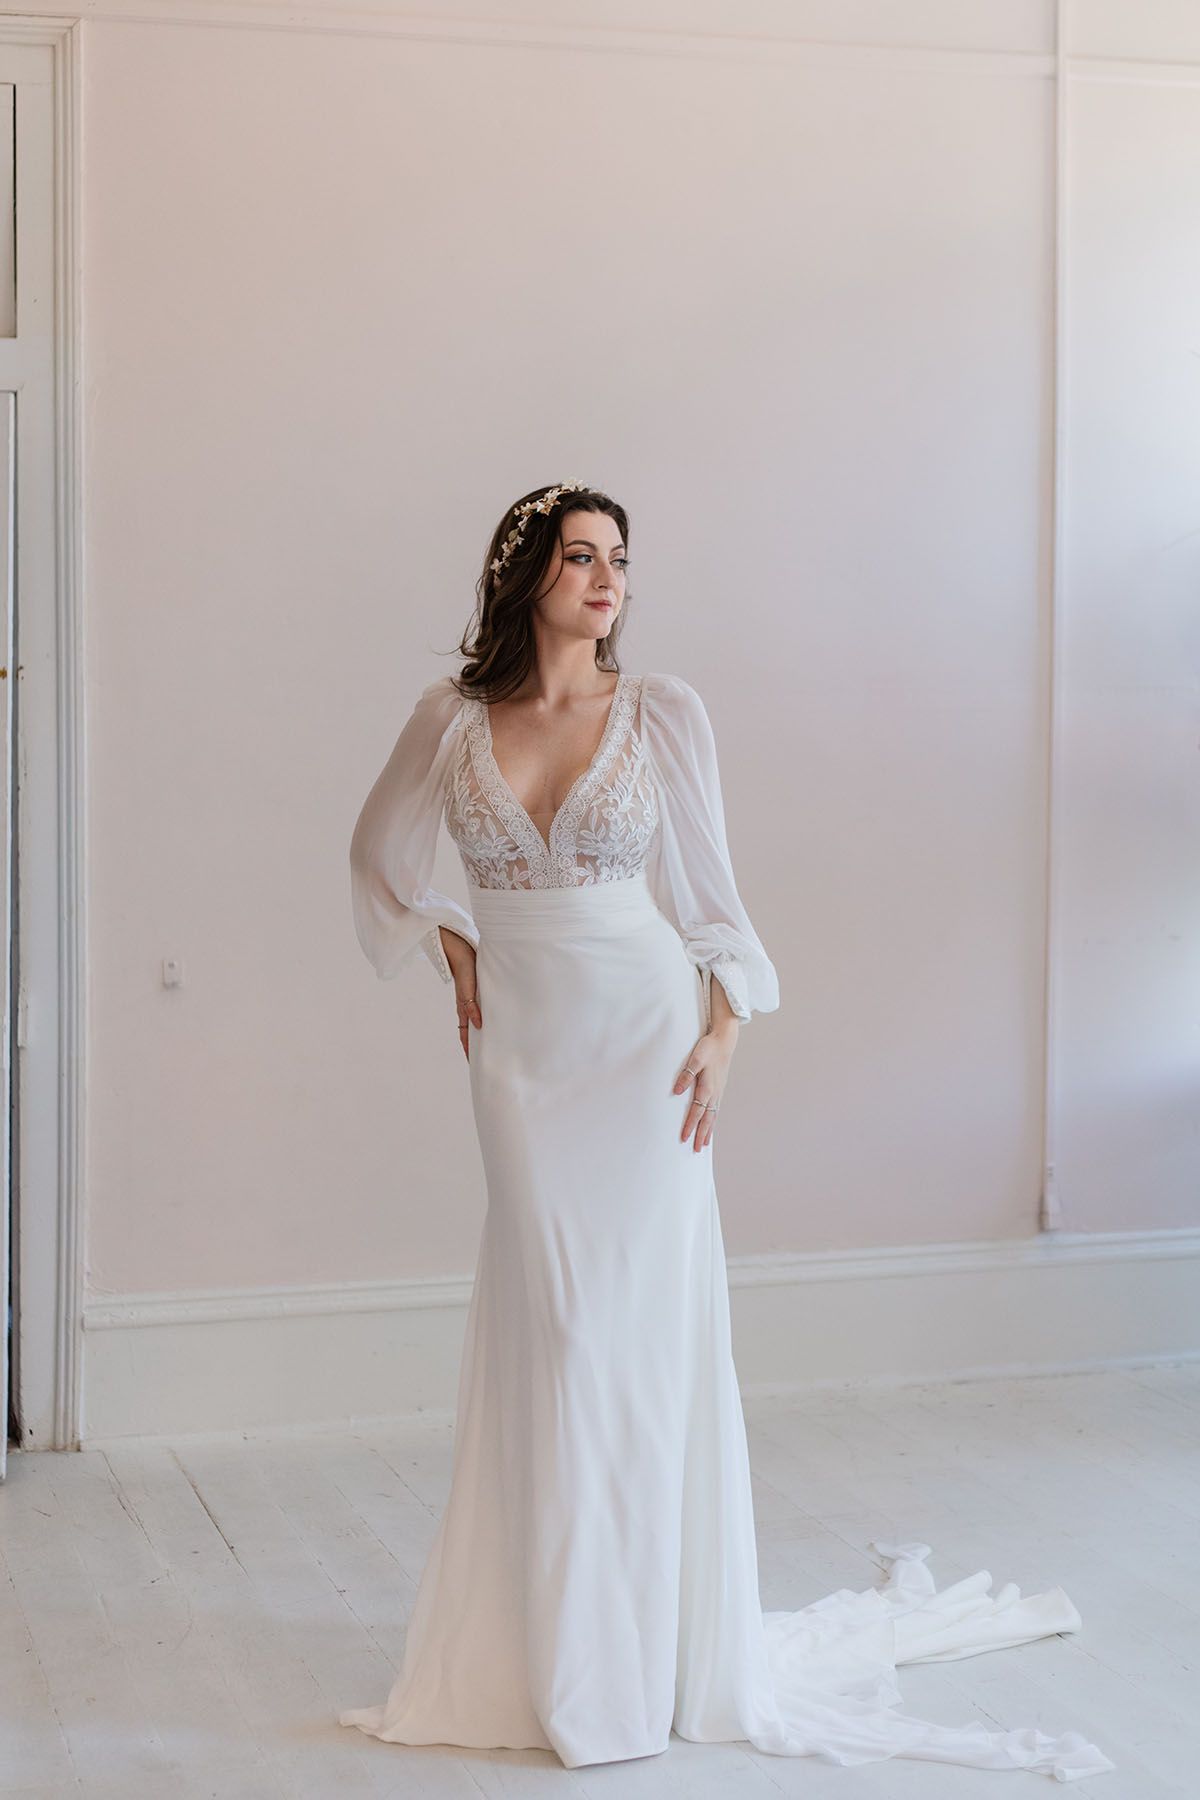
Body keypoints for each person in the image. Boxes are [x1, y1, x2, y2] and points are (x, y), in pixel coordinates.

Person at [336, 481, 1115, 1780]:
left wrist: (724, 1031)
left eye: (620, 561)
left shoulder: (662, 715)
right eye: (580, 557)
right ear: (526, 573)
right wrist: (450, 943)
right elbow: (375, 856)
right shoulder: (451, 721)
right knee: (560, 1330)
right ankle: (554, 1651)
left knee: (635, 1347)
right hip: (524, 1062)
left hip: (648, 1049)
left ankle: (646, 1654)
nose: (606, 580)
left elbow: (713, 902)